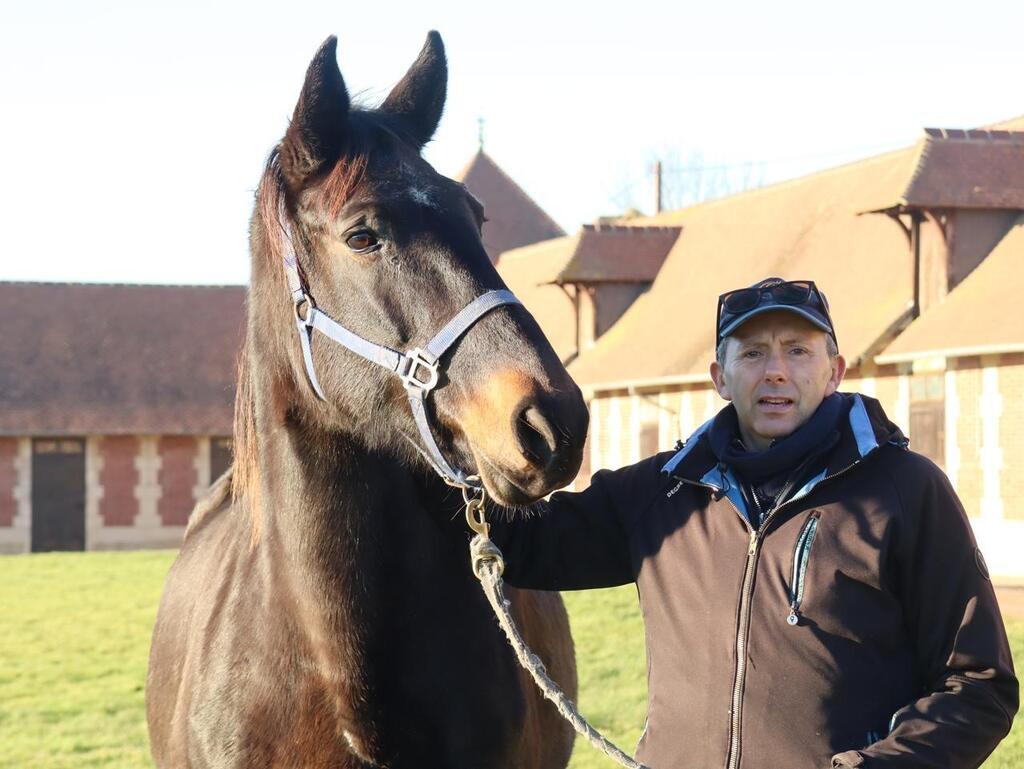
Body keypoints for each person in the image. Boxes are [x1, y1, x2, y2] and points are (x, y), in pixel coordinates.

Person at [491, 277, 1018, 769]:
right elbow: (518, 540)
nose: (776, 371)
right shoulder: (662, 493)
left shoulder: (906, 491)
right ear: (720, 378)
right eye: (752, 353)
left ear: (835, 371)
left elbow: (978, 684)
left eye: (797, 350)